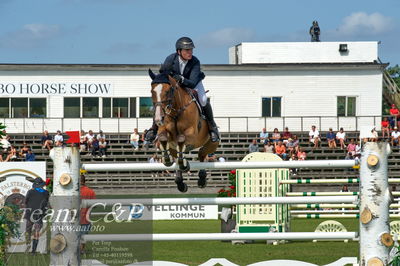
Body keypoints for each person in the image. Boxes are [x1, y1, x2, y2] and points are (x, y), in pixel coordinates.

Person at [145, 37, 220, 143]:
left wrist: (182, 79)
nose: (190, 52)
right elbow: (163, 75)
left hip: (193, 83)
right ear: (179, 51)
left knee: (203, 100)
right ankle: (154, 128)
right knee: (162, 99)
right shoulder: (170, 59)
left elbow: (192, 83)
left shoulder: (195, 61)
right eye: (187, 50)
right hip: (176, 85)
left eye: (191, 50)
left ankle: (212, 127)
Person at [24, 177, 50, 255]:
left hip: (30, 214)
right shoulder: (46, 193)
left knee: (28, 231)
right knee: (36, 232)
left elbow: (26, 202)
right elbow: (46, 202)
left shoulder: (30, 192)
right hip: (39, 214)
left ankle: (28, 245)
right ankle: (33, 251)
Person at [80, 171, 96, 254]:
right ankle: (81, 250)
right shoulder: (90, 191)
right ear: (84, 181)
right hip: (86, 218)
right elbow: (94, 205)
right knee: (83, 236)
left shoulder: (73, 191)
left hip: (73, 218)